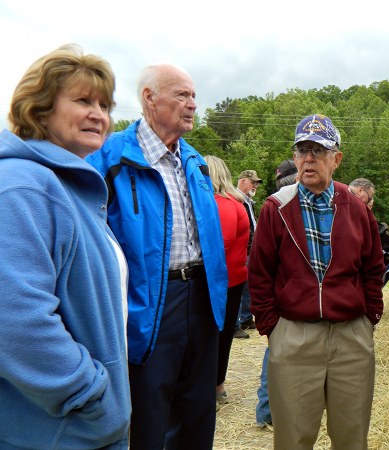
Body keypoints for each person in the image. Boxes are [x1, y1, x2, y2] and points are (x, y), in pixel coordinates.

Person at [86, 64, 228, 450]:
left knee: (198, 411)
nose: (193, 104)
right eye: (182, 95)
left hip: (201, 300)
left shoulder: (195, 161)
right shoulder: (110, 158)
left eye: (194, 96)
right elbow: (87, 242)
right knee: (149, 417)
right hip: (148, 306)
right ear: (149, 97)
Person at [0, 44, 130, 449]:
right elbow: (15, 320)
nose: (100, 114)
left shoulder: (69, 185)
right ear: (40, 109)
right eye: (83, 100)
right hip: (52, 431)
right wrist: (88, 396)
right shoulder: (23, 186)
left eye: (105, 104)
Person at [249, 114, 385, 449]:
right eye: (302, 151)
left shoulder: (356, 208)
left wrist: (369, 319)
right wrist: (273, 328)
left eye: (318, 151)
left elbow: (372, 267)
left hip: (351, 335)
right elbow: (260, 272)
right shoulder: (276, 208)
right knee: (293, 438)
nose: (308, 159)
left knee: (351, 437)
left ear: (336, 159)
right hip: (294, 337)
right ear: (294, 158)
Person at [255, 158, 298, 427]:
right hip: (283, 307)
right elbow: (261, 266)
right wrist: (269, 321)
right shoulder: (279, 206)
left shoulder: (272, 204)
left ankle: (267, 412)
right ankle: (268, 412)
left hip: (282, 305)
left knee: (275, 358)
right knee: (276, 357)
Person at [204, 155, 250, 405]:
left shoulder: (221, 203)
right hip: (231, 280)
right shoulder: (235, 201)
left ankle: (214, 386)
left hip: (222, 282)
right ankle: (216, 385)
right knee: (220, 337)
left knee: (215, 337)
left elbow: (221, 244)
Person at [234, 169, 263, 338]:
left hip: (249, 249)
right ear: (243, 181)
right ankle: (235, 323)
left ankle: (245, 318)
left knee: (247, 285)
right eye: (253, 183)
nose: (255, 186)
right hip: (241, 250)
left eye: (256, 184)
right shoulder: (237, 200)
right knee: (238, 286)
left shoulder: (248, 201)